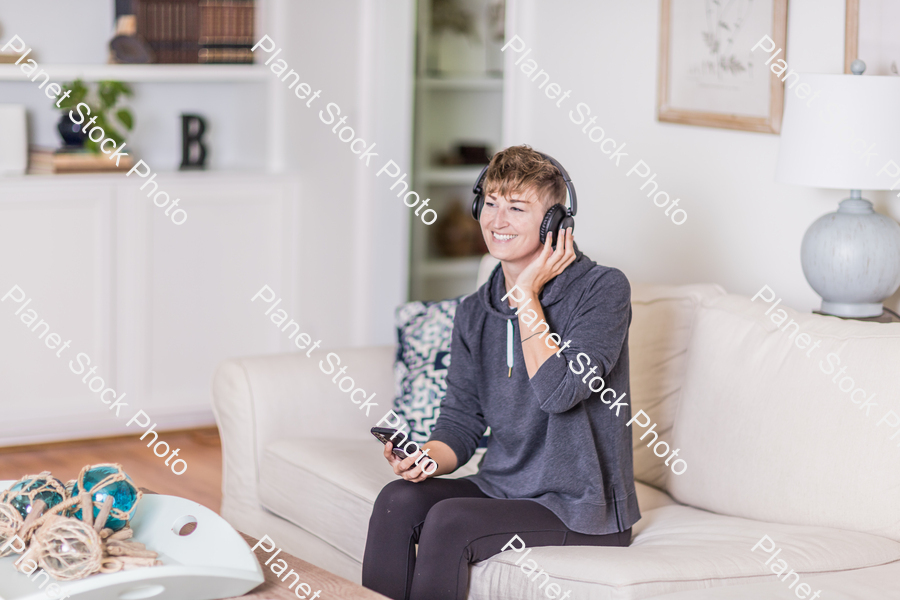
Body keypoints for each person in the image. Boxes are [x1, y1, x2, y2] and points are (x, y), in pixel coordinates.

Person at [362, 145, 639, 600]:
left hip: (581, 508)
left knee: (452, 521)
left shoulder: (603, 290)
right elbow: (460, 421)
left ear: (555, 224)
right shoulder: (475, 311)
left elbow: (559, 392)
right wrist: (426, 457)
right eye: (490, 203)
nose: (496, 221)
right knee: (398, 500)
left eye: (517, 207)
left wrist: (527, 298)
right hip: (504, 487)